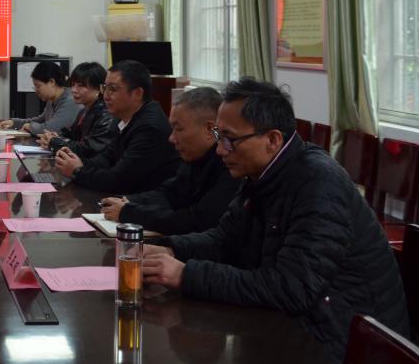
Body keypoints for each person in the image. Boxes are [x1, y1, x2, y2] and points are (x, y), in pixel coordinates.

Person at [142, 78, 409, 361]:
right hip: (301, 326)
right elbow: (224, 239)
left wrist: (186, 275)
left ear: (272, 140)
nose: (220, 149)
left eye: (230, 139)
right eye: (219, 136)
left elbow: (291, 288)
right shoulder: (262, 174)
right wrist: (170, 249)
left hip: (349, 344)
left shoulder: (318, 183)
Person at [99, 86, 239, 234]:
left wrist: (129, 213)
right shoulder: (193, 156)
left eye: (179, 129)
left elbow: (197, 221)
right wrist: (127, 201)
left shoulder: (231, 165)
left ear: (210, 129)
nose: (171, 138)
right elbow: (169, 193)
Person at [56, 60, 178, 192]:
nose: (105, 95)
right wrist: (72, 162)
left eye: (113, 89)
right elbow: (107, 158)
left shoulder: (150, 127)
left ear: (137, 93)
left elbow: (119, 180)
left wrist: (78, 171)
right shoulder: (122, 117)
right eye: (105, 88)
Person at [39, 62, 117, 157]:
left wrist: (55, 142)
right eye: (72, 85)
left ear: (99, 88)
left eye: (81, 85)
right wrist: (54, 136)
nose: (74, 90)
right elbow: (72, 135)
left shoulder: (106, 114)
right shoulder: (84, 111)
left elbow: (89, 149)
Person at [0, 61, 80, 136]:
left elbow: (51, 128)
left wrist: (30, 127)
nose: (36, 91)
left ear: (52, 82)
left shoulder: (70, 101)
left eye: (38, 86)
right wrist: (14, 122)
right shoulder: (51, 100)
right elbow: (41, 120)